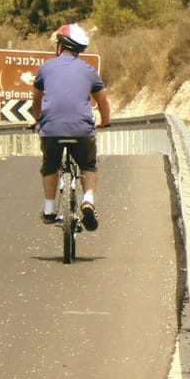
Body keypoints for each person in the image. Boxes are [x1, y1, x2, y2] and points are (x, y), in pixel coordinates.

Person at [31, 22, 110, 230]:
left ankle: (49, 209)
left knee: (50, 165)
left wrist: (38, 120)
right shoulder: (89, 71)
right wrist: (105, 121)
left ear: (60, 45)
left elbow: (36, 100)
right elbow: (102, 102)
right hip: (81, 130)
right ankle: (88, 200)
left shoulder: (46, 67)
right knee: (88, 165)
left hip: (51, 129)